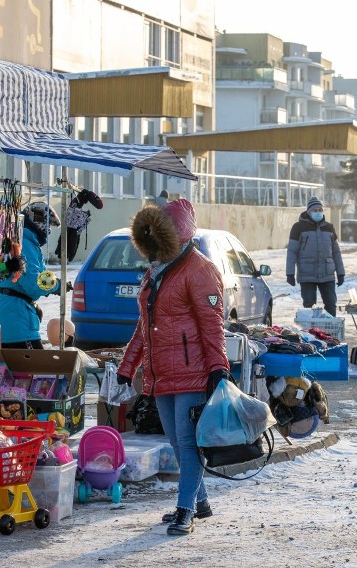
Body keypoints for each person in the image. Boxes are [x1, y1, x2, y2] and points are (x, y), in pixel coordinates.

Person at [115, 198, 230, 536]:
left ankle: (185, 510)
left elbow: (213, 325)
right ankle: (201, 501)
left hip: (191, 372)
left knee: (187, 441)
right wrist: (127, 366)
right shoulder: (157, 273)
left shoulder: (199, 269)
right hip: (161, 372)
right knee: (178, 442)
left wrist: (217, 368)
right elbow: (144, 325)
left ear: (176, 235)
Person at [0, 203, 63, 349]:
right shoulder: (26, 245)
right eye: (47, 225)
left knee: (12, 370)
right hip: (17, 321)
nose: (48, 231)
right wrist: (57, 285)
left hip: (8, 314)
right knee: (38, 368)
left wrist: (53, 286)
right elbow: (34, 285)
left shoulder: (21, 239)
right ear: (37, 222)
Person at [285, 196, 345, 316]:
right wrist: (289, 273)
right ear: (309, 212)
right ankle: (311, 332)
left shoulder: (329, 227)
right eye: (315, 210)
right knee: (309, 305)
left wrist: (340, 273)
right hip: (307, 274)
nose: (318, 212)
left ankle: (329, 333)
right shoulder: (298, 227)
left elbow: (336, 252)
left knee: (331, 304)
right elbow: (292, 251)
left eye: (320, 210)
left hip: (327, 274)